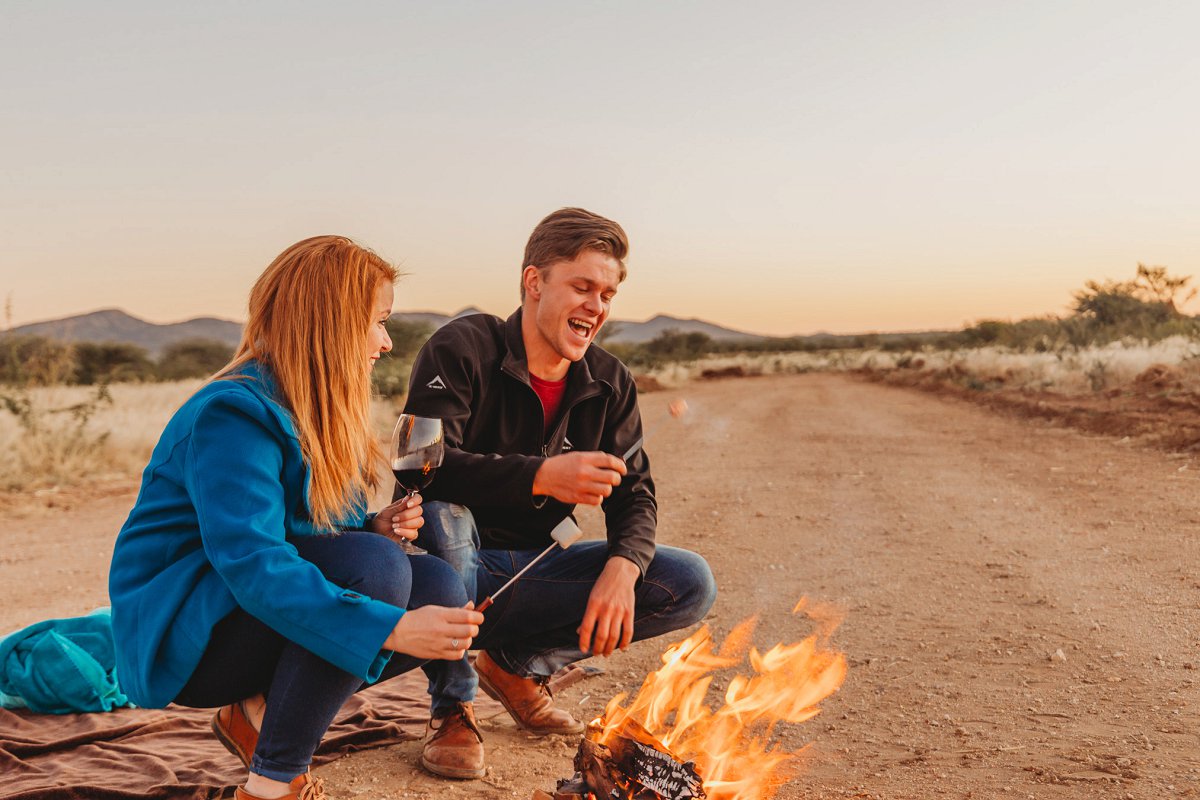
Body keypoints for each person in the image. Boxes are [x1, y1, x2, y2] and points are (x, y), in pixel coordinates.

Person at [108, 236, 485, 800]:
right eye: (378, 322)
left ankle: (253, 717)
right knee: (377, 570)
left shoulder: (311, 405)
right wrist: (388, 626)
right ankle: (271, 783)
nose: (385, 342)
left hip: (241, 612)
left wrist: (371, 525)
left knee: (437, 587)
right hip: (189, 634)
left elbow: (312, 529)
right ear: (331, 323)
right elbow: (255, 562)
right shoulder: (231, 414)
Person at [400, 208, 718, 779]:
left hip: (532, 569)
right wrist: (541, 476)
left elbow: (635, 492)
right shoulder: (462, 346)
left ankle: (515, 666)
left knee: (688, 581)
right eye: (583, 286)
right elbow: (418, 467)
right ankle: (453, 705)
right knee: (445, 513)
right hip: (440, 571)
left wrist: (624, 566)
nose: (597, 306)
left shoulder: (609, 380)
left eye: (608, 294)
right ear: (534, 282)